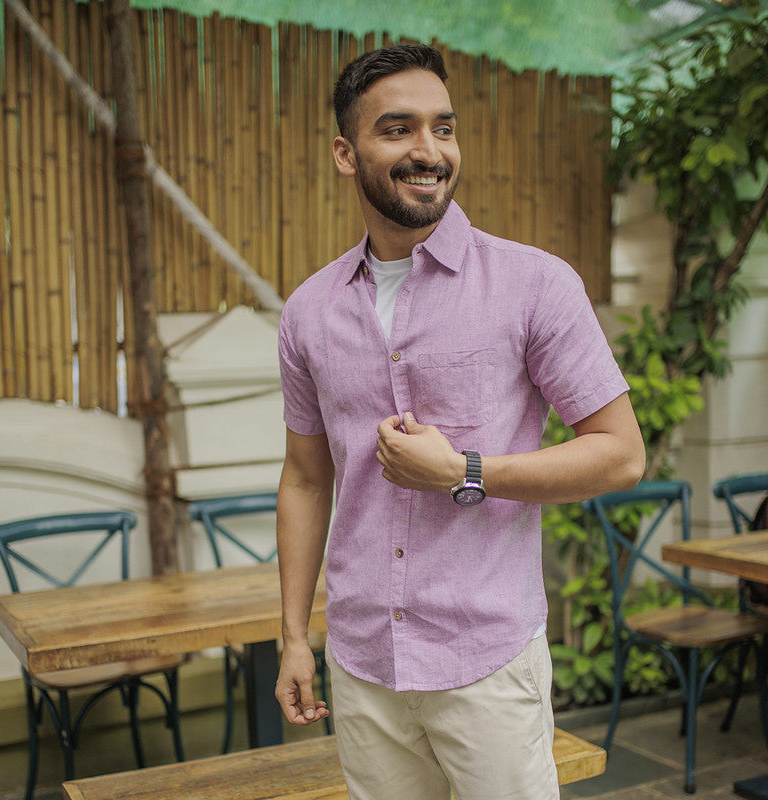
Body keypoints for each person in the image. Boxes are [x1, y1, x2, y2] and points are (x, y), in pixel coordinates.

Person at [274, 43, 645, 800]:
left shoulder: (534, 285)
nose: (428, 151)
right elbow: (307, 479)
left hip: (487, 658)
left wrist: (469, 472)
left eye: (444, 128)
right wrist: (292, 637)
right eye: (399, 129)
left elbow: (621, 455)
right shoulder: (308, 312)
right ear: (347, 153)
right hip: (363, 660)